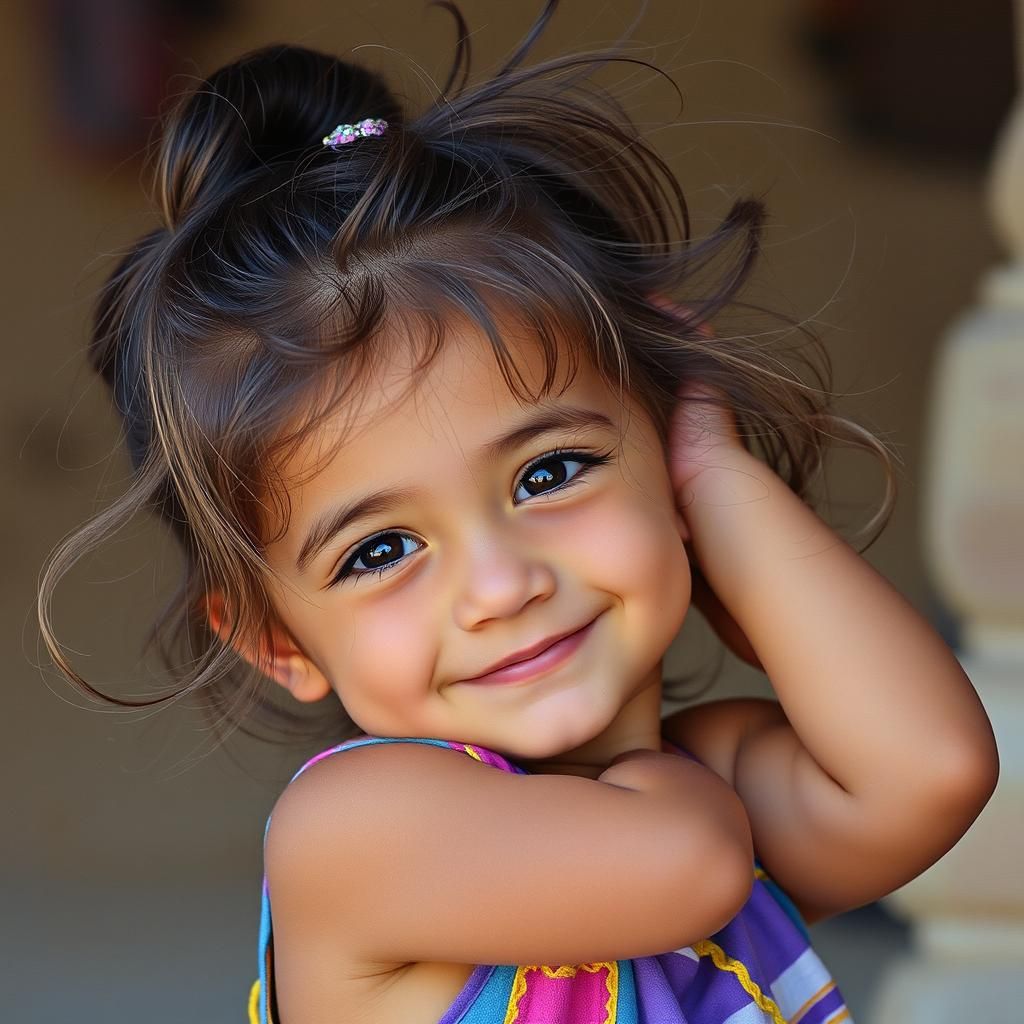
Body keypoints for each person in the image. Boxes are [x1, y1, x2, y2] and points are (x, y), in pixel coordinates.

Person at [38, 3, 999, 1022]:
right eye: (382, 549)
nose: (501, 585)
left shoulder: (704, 777)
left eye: (549, 474)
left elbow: (932, 772)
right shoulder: (351, 830)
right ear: (277, 640)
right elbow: (689, 864)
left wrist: (716, 474)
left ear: (661, 458)